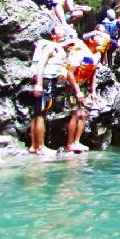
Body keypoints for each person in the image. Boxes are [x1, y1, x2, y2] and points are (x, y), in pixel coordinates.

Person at [29, 25, 74, 155]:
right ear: (53, 35)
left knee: (37, 114)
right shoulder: (50, 47)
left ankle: (34, 146)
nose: (63, 32)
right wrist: (39, 83)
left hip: (46, 81)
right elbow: (41, 64)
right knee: (41, 114)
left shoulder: (54, 46)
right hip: (46, 81)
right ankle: (41, 147)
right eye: (60, 30)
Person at [65, 34, 101, 153]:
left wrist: (93, 90)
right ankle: (70, 144)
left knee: (84, 113)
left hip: (85, 84)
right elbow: (70, 73)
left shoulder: (97, 54)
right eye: (98, 37)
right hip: (75, 84)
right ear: (90, 40)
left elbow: (94, 73)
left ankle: (77, 141)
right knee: (76, 113)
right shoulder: (80, 51)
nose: (101, 39)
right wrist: (77, 91)